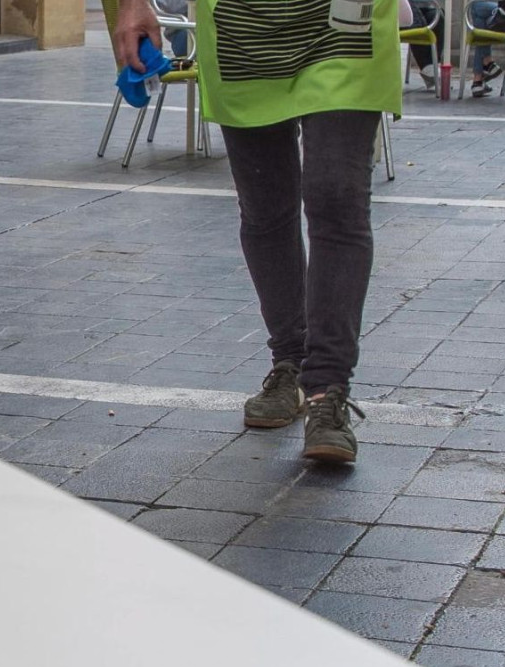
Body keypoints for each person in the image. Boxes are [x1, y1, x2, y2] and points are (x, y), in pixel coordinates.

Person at [113, 0, 397, 464]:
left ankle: (326, 389)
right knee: (266, 208)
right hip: (240, 28)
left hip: (344, 24)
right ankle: (290, 361)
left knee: (336, 196)